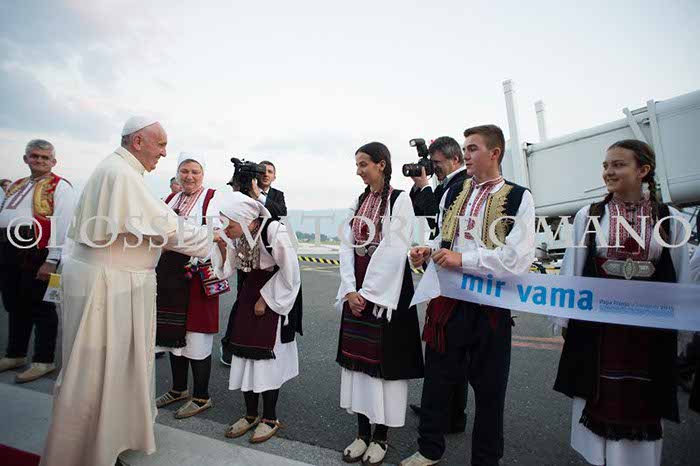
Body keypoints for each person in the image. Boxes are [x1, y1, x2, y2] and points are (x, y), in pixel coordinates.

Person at [40, 117, 217, 466]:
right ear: (138, 141)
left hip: (110, 280)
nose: (164, 153)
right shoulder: (121, 174)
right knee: (99, 371)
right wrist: (211, 239)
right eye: (160, 144)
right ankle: (86, 452)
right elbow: (166, 228)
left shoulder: (119, 170)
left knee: (112, 369)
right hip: (109, 284)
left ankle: (105, 444)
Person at [402, 125, 535, 466]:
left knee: (490, 392)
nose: (466, 155)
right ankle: (429, 449)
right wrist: (426, 251)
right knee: (436, 382)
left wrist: (464, 260)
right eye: (465, 149)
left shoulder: (519, 197)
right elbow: (443, 240)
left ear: (495, 153)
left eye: (473, 148)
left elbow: (517, 260)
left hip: (490, 307)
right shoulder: (453, 193)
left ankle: (486, 460)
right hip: (448, 303)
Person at [552, 139, 690, 466]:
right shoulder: (590, 215)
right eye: (605, 165)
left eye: (618, 164)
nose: (608, 172)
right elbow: (573, 269)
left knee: (643, 400)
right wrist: (565, 318)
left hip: (649, 331)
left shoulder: (670, 219)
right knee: (597, 393)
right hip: (599, 329)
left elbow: (681, 276)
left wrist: (682, 327)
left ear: (643, 170)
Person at [337, 142, 423, 466]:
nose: (358, 171)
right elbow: (346, 245)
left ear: (381, 164)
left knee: (384, 365)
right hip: (358, 289)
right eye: (357, 165)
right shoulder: (359, 201)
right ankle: (362, 432)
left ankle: (381, 436)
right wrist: (350, 289)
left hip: (387, 292)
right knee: (358, 364)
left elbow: (394, 248)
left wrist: (369, 293)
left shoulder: (400, 200)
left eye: (363, 164)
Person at [211, 191, 302, 444]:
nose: (225, 229)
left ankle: (270, 418)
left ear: (247, 220)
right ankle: (250, 414)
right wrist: (221, 248)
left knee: (266, 360)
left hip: (273, 295)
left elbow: (291, 273)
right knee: (243, 356)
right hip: (248, 293)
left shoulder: (274, 232)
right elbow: (226, 270)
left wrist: (266, 299)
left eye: (229, 225)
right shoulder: (236, 237)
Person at [0, 140, 75, 383]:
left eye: (45, 157)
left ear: (53, 161)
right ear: (26, 159)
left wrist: (52, 259)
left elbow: (61, 224)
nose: (40, 161)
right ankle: (15, 353)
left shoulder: (60, 186)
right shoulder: (18, 185)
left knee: (41, 306)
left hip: (37, 250)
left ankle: (44, 359)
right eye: (35, 156)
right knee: (14, 302)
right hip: (9, 248)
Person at [408, 136, 469, 433]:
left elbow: (436, 219)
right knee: (446, 352)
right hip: (446, 273)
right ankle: (444, 409)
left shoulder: (461, 185)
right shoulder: (450, 184)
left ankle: (447, 414)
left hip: (455, 280)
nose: (434, 169)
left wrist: (425, 186)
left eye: (437, 163)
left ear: (455, 159)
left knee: (445, 351)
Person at [153, 153, 221, 419]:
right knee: (173, 336)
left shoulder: (212, 199)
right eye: (184, 171)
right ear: (177, 174)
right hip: (169, 276)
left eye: (195, 172)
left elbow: (215, 236)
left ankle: (201, 396)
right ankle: (178, 388)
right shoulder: (170, 199)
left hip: (196, 276)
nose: (189, 176)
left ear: (203, 174)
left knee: (196, 338)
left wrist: (178, 241)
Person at [220, 159, 287, 366]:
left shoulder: (276, 195)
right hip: (246, 253)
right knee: (242, 300)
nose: (265, 174)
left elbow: (280, 213)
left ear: (274, 176)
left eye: (270, 171)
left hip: (267, 250)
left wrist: (258, 195)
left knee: (267, 305)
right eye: (262, 171)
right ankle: (231, 344)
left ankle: (263, 345)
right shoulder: (243, 193)